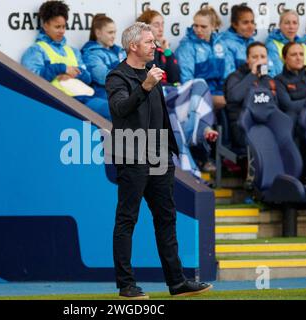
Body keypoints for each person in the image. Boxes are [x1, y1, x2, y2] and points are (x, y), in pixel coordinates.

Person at [105, 22, 212, 299]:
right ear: (133, 46)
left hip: (159, 155)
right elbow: (120, 110)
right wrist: (145, 86)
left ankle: (177, 283)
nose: (156, 46)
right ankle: (126, 285)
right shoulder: (117, 76)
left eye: (154, 41)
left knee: (166, 218)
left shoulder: (152, 73)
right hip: (132, 155)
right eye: (150, 42)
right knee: (127, 219)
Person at [137, 9, 218, 175]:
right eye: (156, 25)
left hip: (170, 93)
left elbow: (174, 75)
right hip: (156, 95)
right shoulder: (142, 50)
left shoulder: (161, 51)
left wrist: (166, 50)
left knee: (199, 88)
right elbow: (152, 78)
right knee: (198, 86)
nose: (160, 29)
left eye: (162, 25)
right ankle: (198, 139)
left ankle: (199, 133)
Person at [21, 1, 110, 119]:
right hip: (63, 104)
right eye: (57, 27)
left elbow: (87, 77)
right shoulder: (36, 51)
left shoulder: (72, 51)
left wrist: (74, 73)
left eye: (64, 26)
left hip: (86, 96)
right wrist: (62, 68)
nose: (62, 31)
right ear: (45, 25)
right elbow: (31, 80)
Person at [175, 7, 235, 110]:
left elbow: (230, 74)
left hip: (221, 93)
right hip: (197, 96)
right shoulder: (186, 46)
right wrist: (209, 97)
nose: (198, 30)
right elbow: (187, 81)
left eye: (203, 26)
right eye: (196, 26)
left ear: (213, 26)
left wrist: (224, 93)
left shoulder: (221, 44)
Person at [225, 42, 276, 149]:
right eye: (254, 57)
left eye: (263, 57)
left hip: (265, 124)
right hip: (243, 126)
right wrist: (252, 74)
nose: (259, 60)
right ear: (247, 59)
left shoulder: (268, 79)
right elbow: (234, 97)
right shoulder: (235, 77)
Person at [275, 42, 306, 125]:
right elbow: (289, 106)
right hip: (297, 124)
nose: (298, 58)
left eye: (301, 54)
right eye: (294, 55)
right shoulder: (279, 80)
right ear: (284, 58)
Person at [81, 14, 126, 100]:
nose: (114, 36)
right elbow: (104, 78)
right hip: (106, 96)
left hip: (125, 93)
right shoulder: (90, 54)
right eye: (110, 32)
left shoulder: (120, 51)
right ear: (98, 33)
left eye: (114, 32)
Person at [265, 10, 306, 77]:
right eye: (287, 23)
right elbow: (278, 73)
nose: (291, 27)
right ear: (280, 25)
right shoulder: (272, 45)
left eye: (294, 23)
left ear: (298, 25)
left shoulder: (304, 46)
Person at [222, 4, 256, 69]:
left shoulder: (252, 42)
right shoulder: (225, 44)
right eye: (245, 23)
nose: (250, 26)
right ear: (234, 24)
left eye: (252, 22)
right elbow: (229, 76)